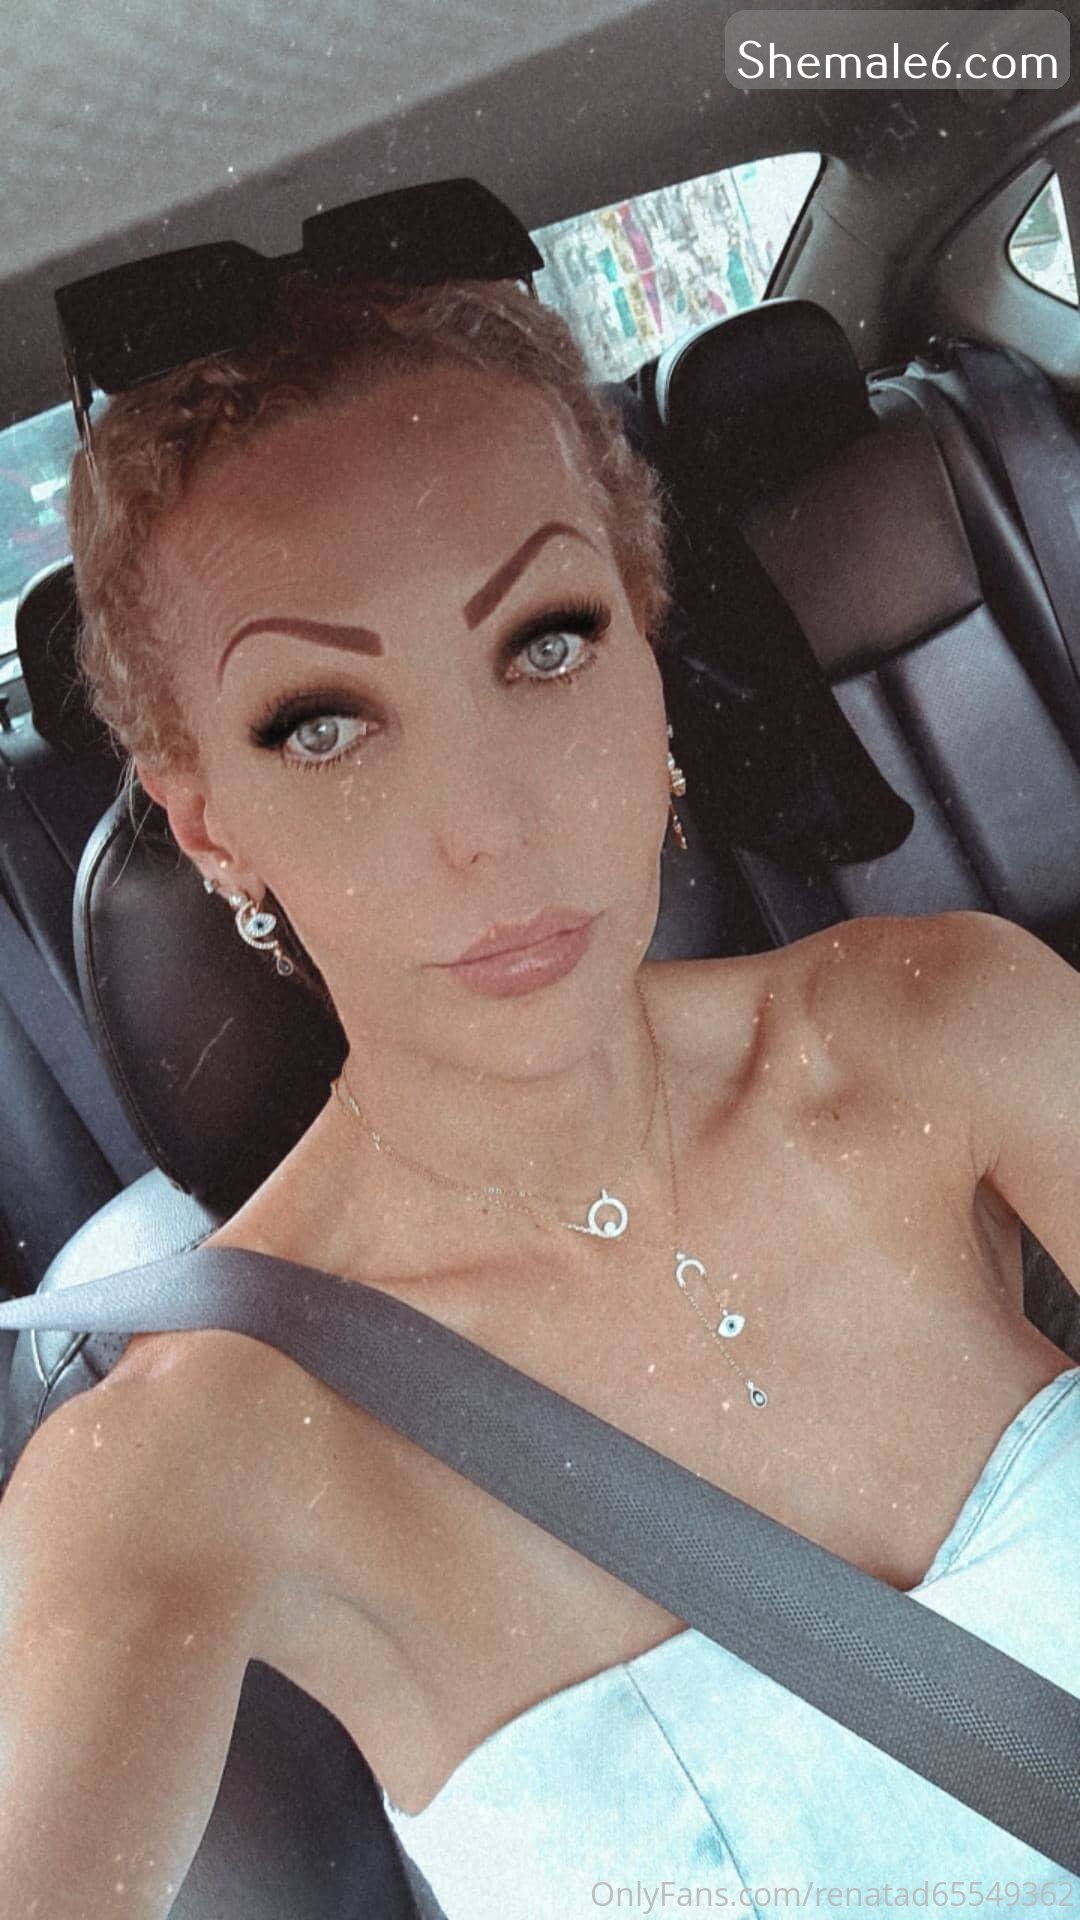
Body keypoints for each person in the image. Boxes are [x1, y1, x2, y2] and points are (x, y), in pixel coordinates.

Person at [2, 265, 1079, 1919]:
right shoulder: (183, 1452)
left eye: (548, 641)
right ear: (207, 823)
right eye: (322, 727)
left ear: (651, 653)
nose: (488, 828)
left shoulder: (954, 1028)